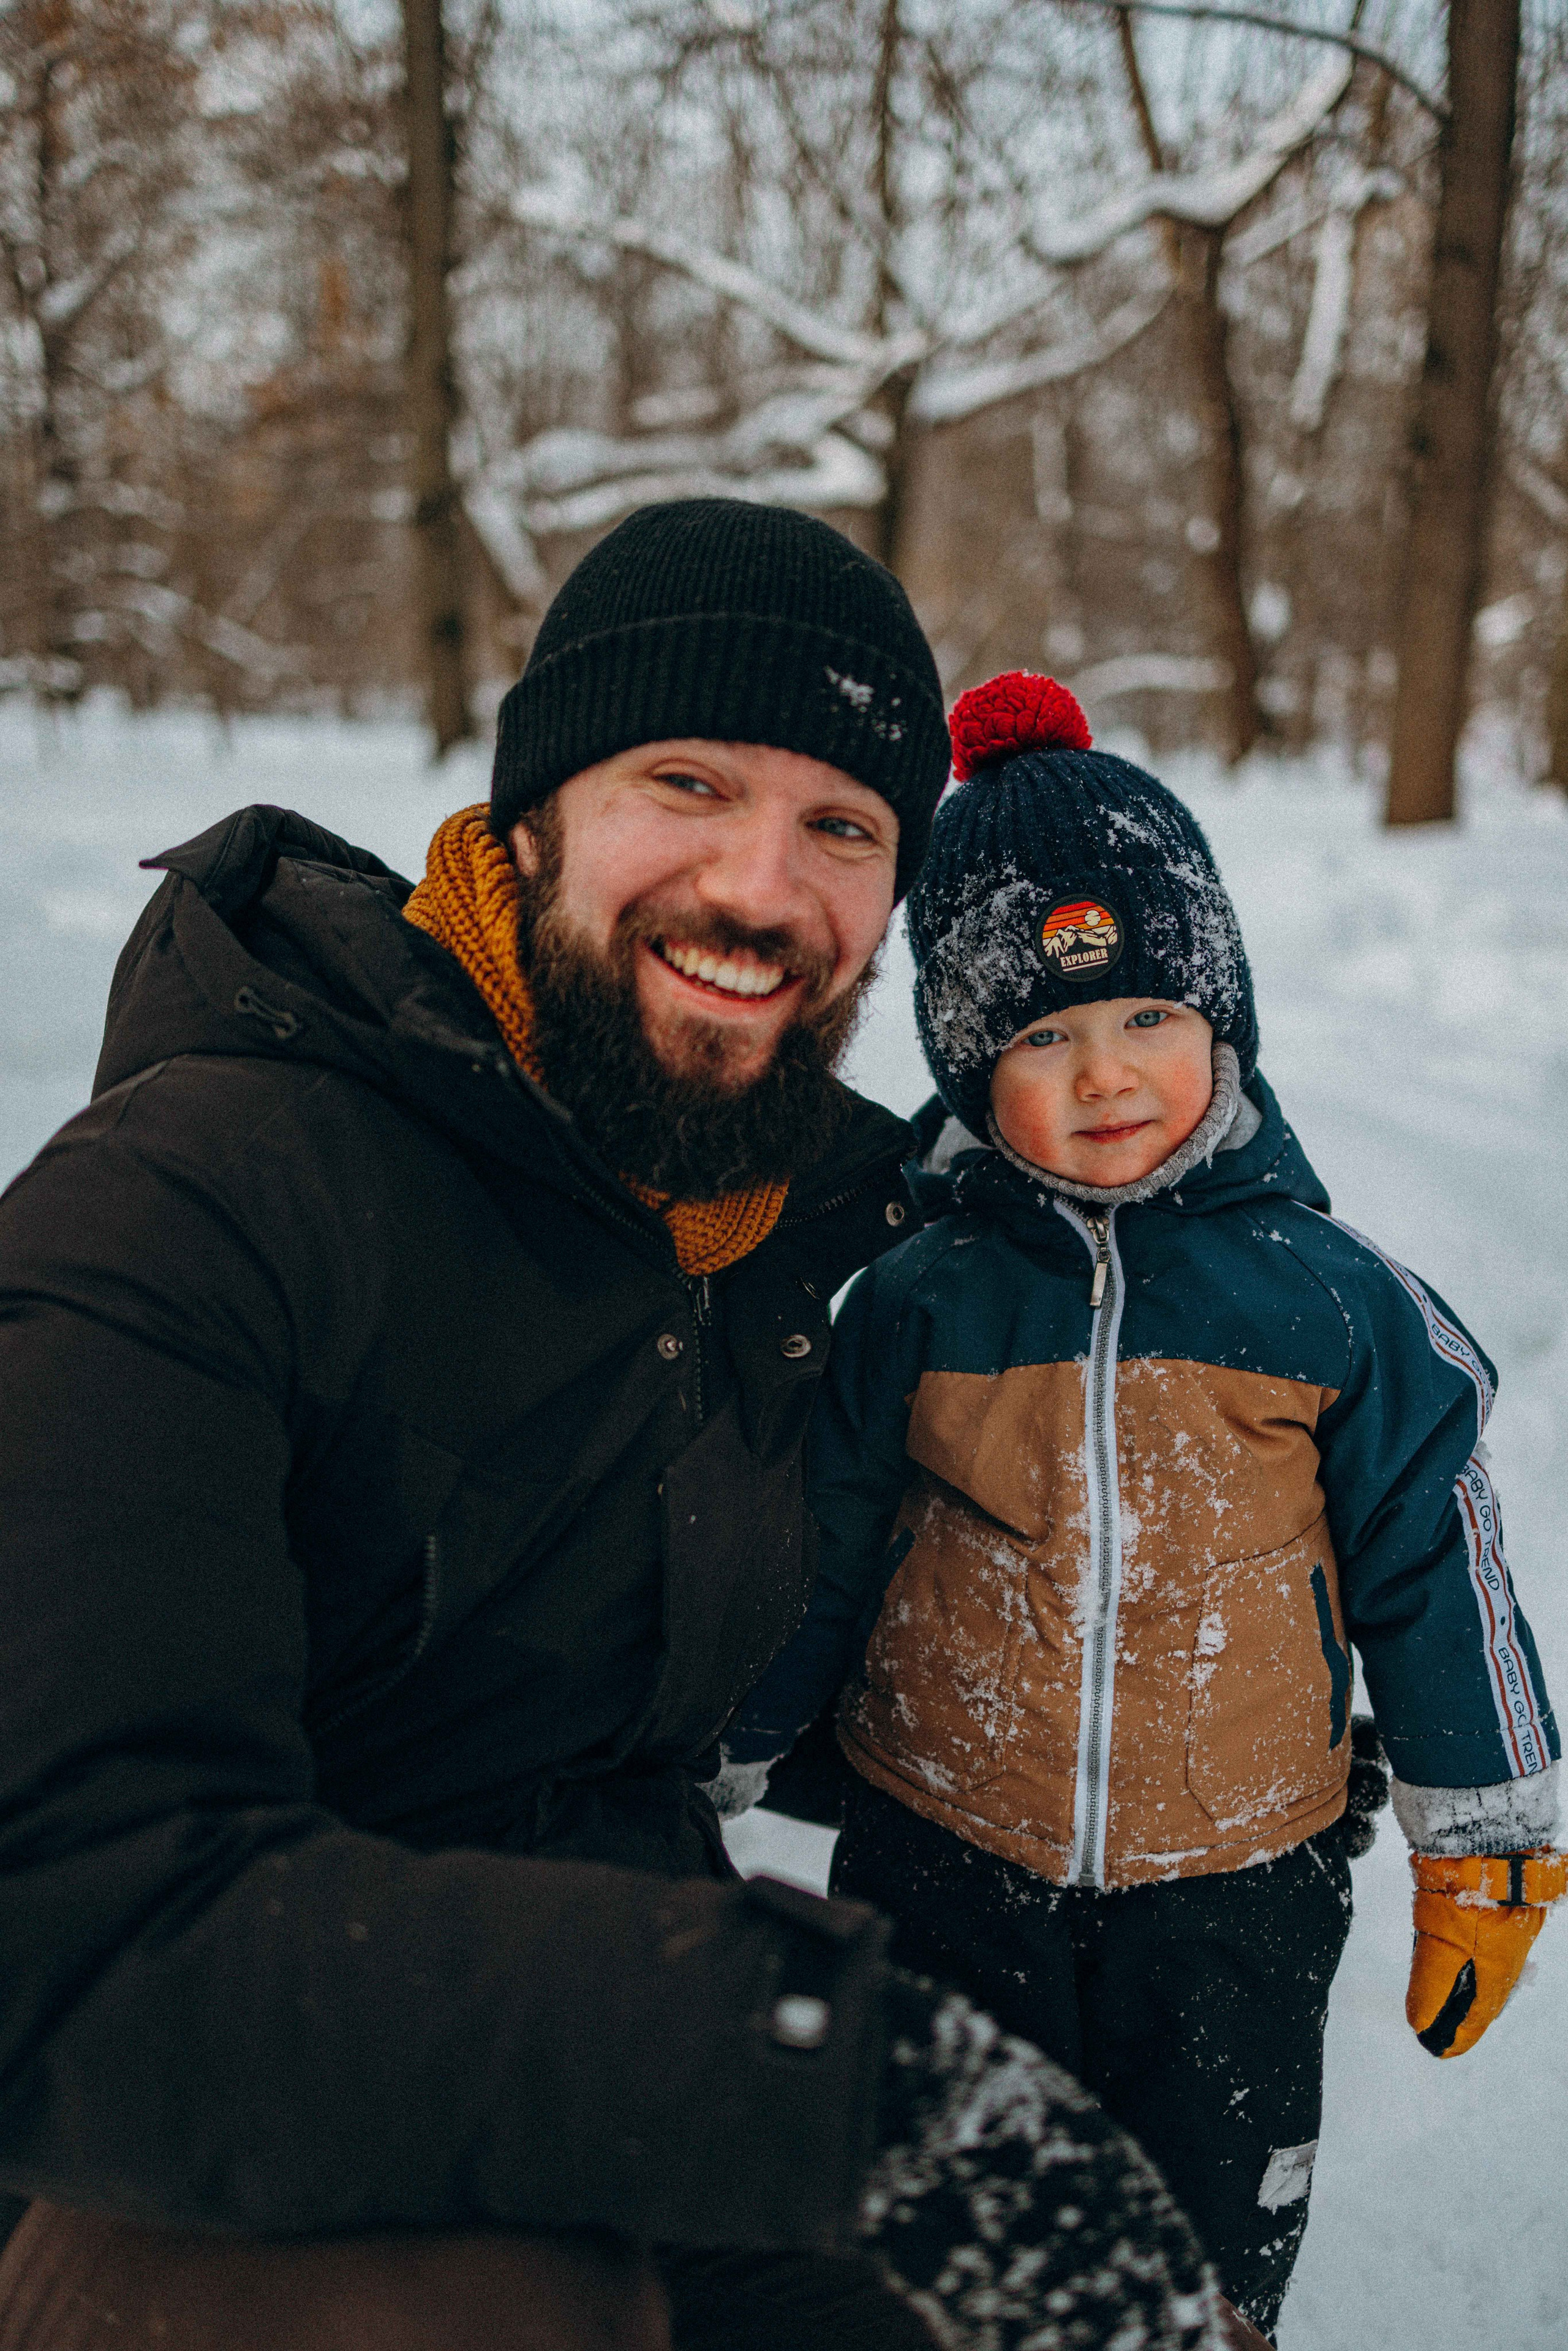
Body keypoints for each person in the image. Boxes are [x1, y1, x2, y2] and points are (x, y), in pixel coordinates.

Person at [0, 511, 1231, 2351]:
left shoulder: (772, 1237)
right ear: (527, 818)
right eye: (686, 781)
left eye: (843, 826)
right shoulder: (188, 1211)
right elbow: (65, 1934)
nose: (759, 885)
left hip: (585, 2077)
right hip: (162, 2170)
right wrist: (834, 2072)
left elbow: (687, 1732)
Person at [720, 669, 1566, 2341]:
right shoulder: (914, 1301)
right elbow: (818, 1551)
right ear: (968, 1068)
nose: (1109, 1075)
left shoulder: (1331, 1301)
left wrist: (1487, 1839)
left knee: (1207, 2226)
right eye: (1043, 1035)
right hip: (943, 1848)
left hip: (1242, 1880)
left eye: (1150, 1020)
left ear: (1222, 1019)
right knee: (944, 2226)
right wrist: (720, 1745)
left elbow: (1435, 1563)